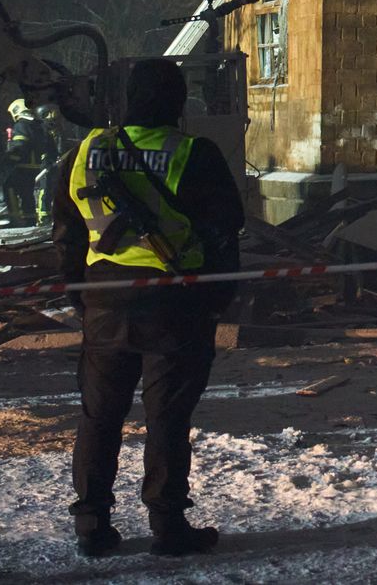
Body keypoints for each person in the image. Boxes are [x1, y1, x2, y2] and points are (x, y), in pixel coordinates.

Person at [52, 58, 243, 559]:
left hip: (105, 300)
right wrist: (216, 301)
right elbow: (225, 231)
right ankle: (167, 525)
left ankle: (91, 525)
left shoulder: (87, 150)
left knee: (98, 416)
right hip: (175, 305)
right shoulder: (194, 153)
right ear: (178, 103)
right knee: (167, 418)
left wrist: (79, 294)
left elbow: (67, 231)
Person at [4, 98, 43, 226]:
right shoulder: (37, 124)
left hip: (23, 165)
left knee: (9, 186)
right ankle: (30, 218)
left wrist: (8, 158)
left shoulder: (21, 124)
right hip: (35, 165)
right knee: (27, 193)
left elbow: (20, 145)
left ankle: (15, 219)